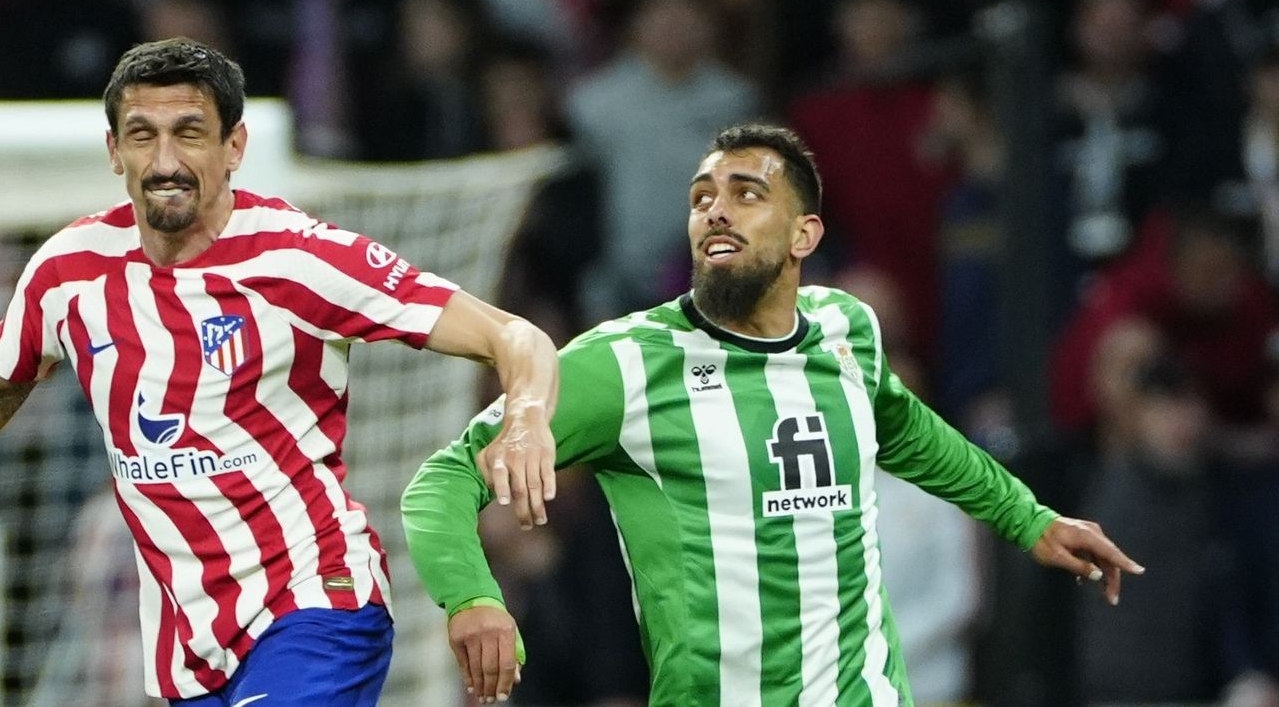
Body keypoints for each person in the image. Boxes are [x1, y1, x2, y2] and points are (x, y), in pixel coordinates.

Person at [0, 38, 561, 707]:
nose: (164, 160)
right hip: (186, 650)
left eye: (189, 133)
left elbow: (515, 336)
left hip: (315, 603)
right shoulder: (68, 271)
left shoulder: (298, 259)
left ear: (234, 148)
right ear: (113, 151)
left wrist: (525, 421)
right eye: (142, 135)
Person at [402, 122, 1143, 706]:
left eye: (746, 193)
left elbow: (904, 427)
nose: (714, 209)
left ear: (804, 236)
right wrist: (472, 597)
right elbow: (442, 481)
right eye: (700, 197)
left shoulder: (846, 327)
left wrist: (1030, 520)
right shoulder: (623, 362)